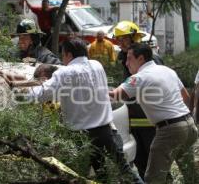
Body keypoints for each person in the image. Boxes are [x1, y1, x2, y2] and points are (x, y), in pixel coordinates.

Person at [29, 37, 143, 183]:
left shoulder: (65, 73)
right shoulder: (97, 66)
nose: (63, 59)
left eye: (63, 55)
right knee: (122, 171)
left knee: (77, 176)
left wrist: (18, 93)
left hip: (81, 136)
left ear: (68, 55)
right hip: (105, 132)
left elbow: (42, 93)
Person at [109, 43, 198, 184]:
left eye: (129, 58)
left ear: (141, 58)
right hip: (189, 126)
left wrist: (94, 90)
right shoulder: (167, 70)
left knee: (153, 178)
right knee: (190, 174)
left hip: (170, 130)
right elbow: (186, 98)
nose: (126, 63)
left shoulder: (139, 78)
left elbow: (115, 96)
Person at [113, 20, 163, 179]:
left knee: (155, 162)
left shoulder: (151, 60)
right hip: (135, 120)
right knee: (140, 161)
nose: (120, 43)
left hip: (150, 120)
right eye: (118, 40)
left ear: (134, 38)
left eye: (124, 39)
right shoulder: (126, 59)